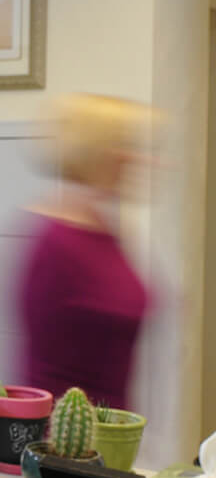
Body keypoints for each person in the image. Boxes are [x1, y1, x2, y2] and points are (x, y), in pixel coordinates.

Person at [16, 93, 152, 412]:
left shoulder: (107, 232)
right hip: (69, 445)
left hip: (113, 433)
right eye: (124, 145)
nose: (137, 158)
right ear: (96, 153)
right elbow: (41, 374)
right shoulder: (55, 244)